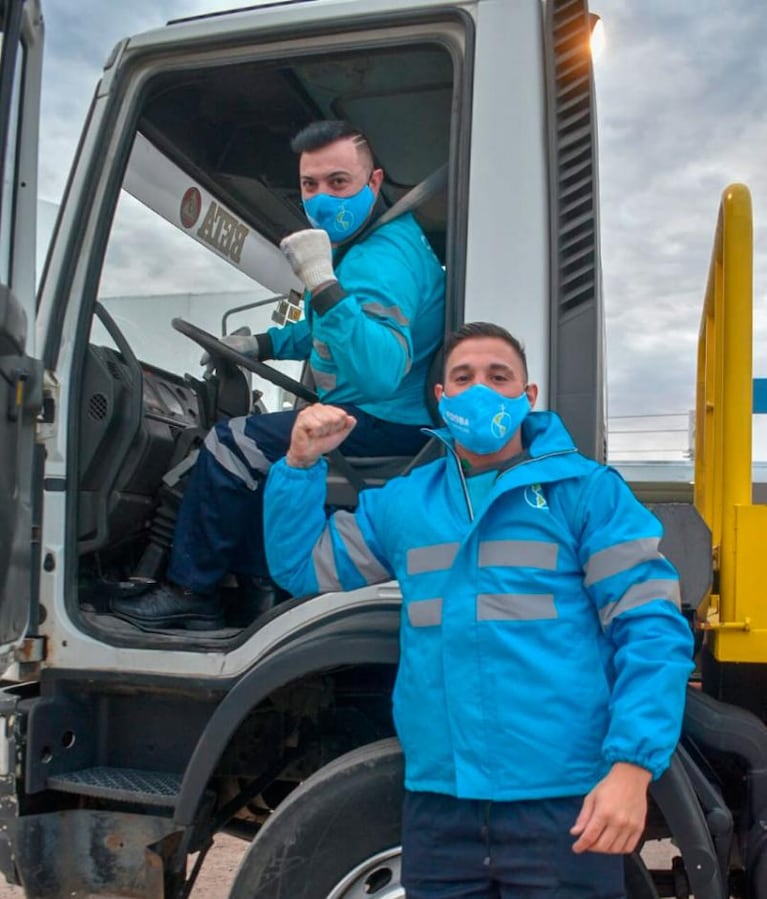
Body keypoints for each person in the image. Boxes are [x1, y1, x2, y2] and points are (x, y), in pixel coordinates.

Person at [262, 321, 695, 898]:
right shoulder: (405, 503)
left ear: (528, 396)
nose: (481, 389)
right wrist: (298, 465)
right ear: (442, 399)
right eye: (463, 378)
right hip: (442, 812)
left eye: (499, 376)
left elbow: (652, 630)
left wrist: (632, 769)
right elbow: (301, 567)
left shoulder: (586, 493)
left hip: (562, 806)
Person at [112, 120, 445, 630]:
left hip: (382, 417)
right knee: (257, 455)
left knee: (229, 445)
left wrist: (321, 281)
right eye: (310, 185)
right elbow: (327, 331)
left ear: (374, 182)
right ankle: (255, 592)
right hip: (378, 412)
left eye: (339, 182)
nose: (320, 198)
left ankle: (190, 590)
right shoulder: (367, 243)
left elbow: (378, 371)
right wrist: (261, 345)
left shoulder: (383, 259)